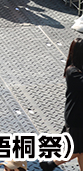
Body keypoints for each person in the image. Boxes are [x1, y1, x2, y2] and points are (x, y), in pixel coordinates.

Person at [40, 38, 83, 171]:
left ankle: (50, 164)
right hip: (76, 118)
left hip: (79, 118)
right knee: (78, 150)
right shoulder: (73, 72)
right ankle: (50, 164)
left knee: (81, 150)